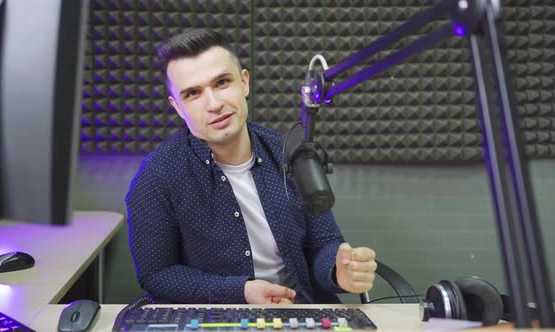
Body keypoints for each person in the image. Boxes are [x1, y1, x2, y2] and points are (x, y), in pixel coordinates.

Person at [125, 28, 377, 304]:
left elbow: (324, 242)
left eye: (222, 83)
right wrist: (241, 291)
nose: (214, 103)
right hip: (220, 317)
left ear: (244, 82)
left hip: (299, 312)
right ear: (177, 106)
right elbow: (157, 274)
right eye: (193, 93)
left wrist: (338, 270)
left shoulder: (289, 154)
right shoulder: (157, 176)